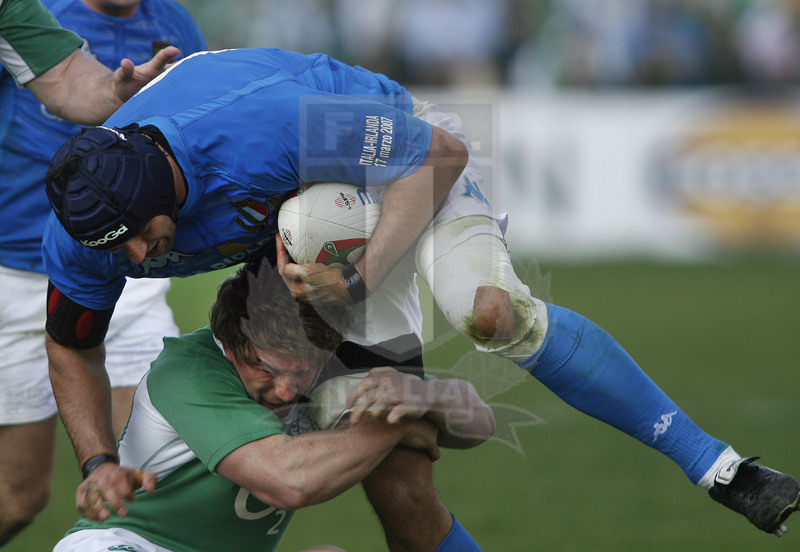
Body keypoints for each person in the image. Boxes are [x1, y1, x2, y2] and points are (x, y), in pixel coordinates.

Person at [42, 47, 800, 538]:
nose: (137, 260)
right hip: (308, 237)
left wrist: (362, 276)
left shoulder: (271, 128)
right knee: (400, 473)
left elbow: (438, 154)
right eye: (121, 251)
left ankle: (721, 468)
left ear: (165, 188)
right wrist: (96, 459)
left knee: (492, 316)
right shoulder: (90, 234)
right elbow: (72, 345)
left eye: (144, 237)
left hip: (401, 166)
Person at [51, 260, 494, 552]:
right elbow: (289, 482)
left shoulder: (326, 363)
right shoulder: (188, 369)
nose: (286, 391)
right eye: (265, 369)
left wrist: (426, 396)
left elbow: (480, 421)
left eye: (300, 371)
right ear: (230, 341)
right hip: (129, 543)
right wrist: (395, 425)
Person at [0, 0, 205, 545]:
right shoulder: (37, 14)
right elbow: (70, 82)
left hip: (123, 269)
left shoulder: (173, 24)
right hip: (14, 270)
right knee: (20, 499)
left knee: (157, 464)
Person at [0, 0, 182, 126]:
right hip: (33, 176)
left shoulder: (176, 23)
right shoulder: (49, 7)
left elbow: (63, 79)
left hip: (126, 175)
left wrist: (113, 94)